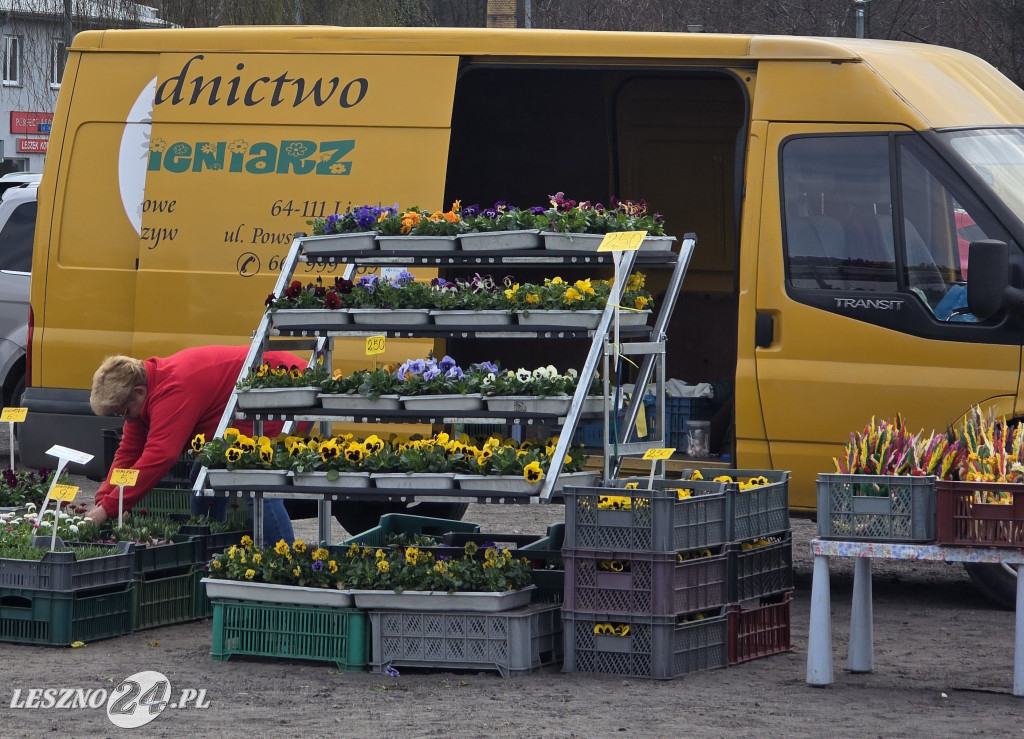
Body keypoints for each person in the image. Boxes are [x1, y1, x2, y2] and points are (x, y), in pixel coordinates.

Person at [86, 345, 308, 544]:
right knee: (202, 475)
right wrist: (103, 500)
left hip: (282, 386)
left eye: (124, 412)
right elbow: (128, 453)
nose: (126, 419)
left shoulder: (172, 388)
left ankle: (282, 561)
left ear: (139, 392)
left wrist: (110, 508)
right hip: (250, 404)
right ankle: (209, 545)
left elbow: (161, 456)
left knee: (254, 478)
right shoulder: (145, 395)